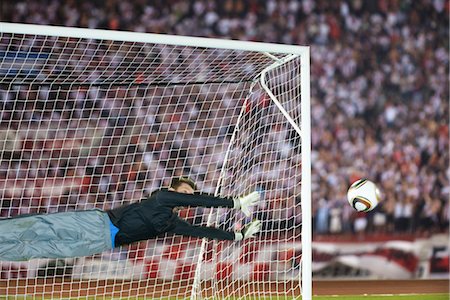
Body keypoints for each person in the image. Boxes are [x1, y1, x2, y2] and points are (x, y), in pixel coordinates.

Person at [0, 177, 261, 261]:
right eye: (185, 193)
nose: (188, 198)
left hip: (101, 243)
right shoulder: (161, 197)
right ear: (173, 191)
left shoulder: (170, 223)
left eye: (189, 195)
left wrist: (236, 235)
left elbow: (200, 231)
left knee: (37, 249)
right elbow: (198, 201)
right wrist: (234, 202)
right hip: (97, 222)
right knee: (38, 227)